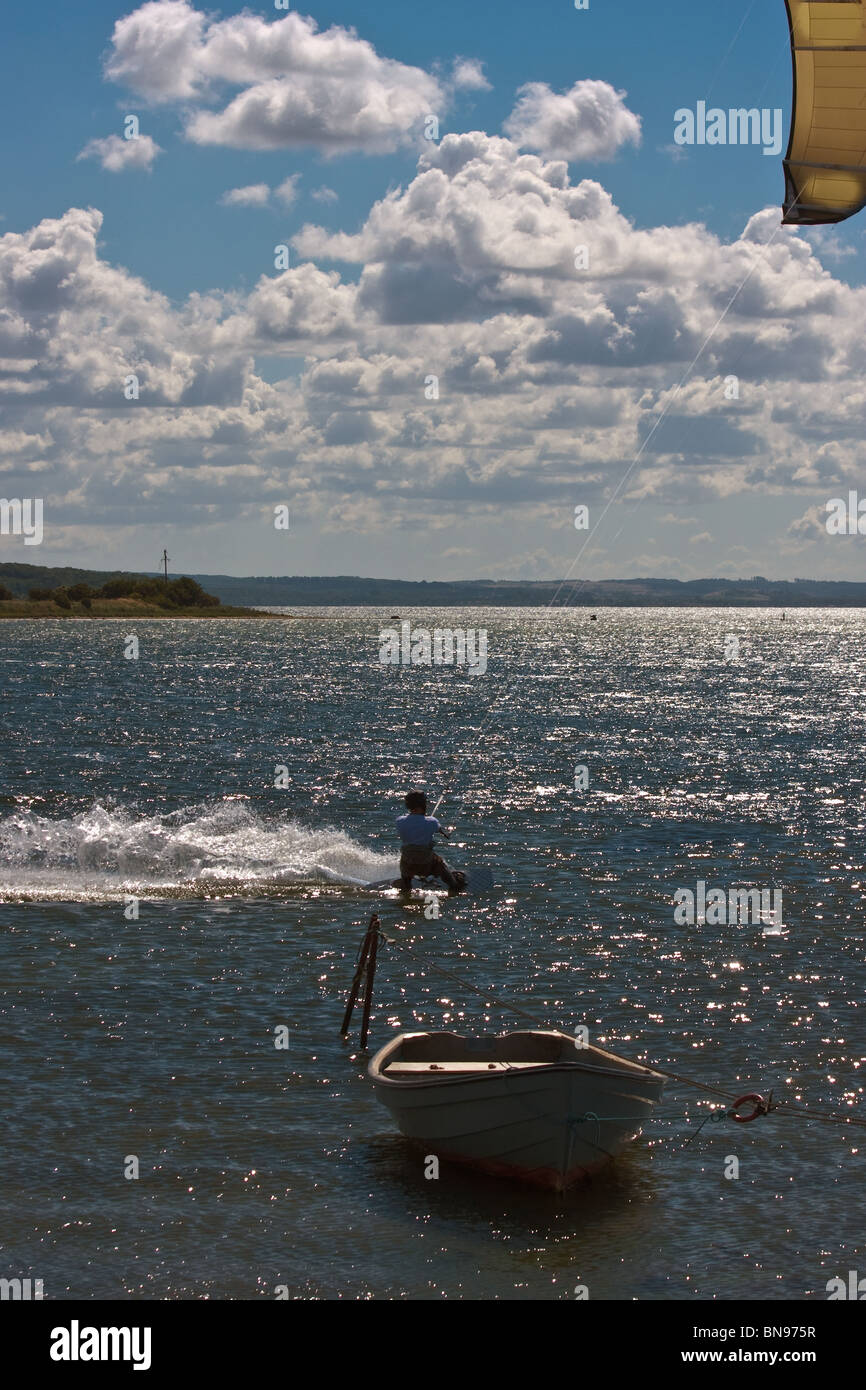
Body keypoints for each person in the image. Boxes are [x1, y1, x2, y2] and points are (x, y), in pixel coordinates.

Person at [395, 791, 464, 894]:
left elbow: (413, 827)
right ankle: (453, 885)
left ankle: (406, 886)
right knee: (440, 863)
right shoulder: (432, 821)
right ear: (423, 805)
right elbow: (440, 830)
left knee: (407, 859)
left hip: (407, 865)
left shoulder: (399, 821)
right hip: (426, 865)